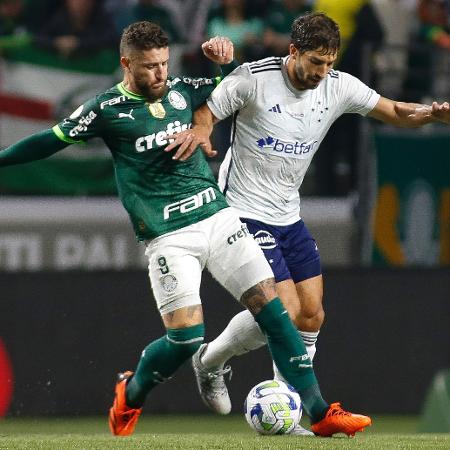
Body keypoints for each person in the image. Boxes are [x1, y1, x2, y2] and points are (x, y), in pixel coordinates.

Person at [0, 21, 372, 438]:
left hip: (218, 216)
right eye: (150, 67)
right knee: (184, 339)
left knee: (275, 311)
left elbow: (228, 88)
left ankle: (320, 413)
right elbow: (48, 141)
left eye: (164, 63)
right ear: (126, 63)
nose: (160, 74)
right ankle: (133, 391)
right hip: (168, 234)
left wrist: (223, 61)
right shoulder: (105, 110)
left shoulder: (182, 89)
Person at [164, 11, 450, 433]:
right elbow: (208, 109)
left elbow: (393, 110)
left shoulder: (338, 86)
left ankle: (273, 396)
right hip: (241, 211)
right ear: (293, 50)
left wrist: (431, 113)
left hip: (288, 215)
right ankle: (213, 363)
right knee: (286, 310)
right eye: (316, 61)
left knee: (312, 315)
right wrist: (202, 131)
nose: (322, 72)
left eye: (330, 62)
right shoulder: (252, 78)